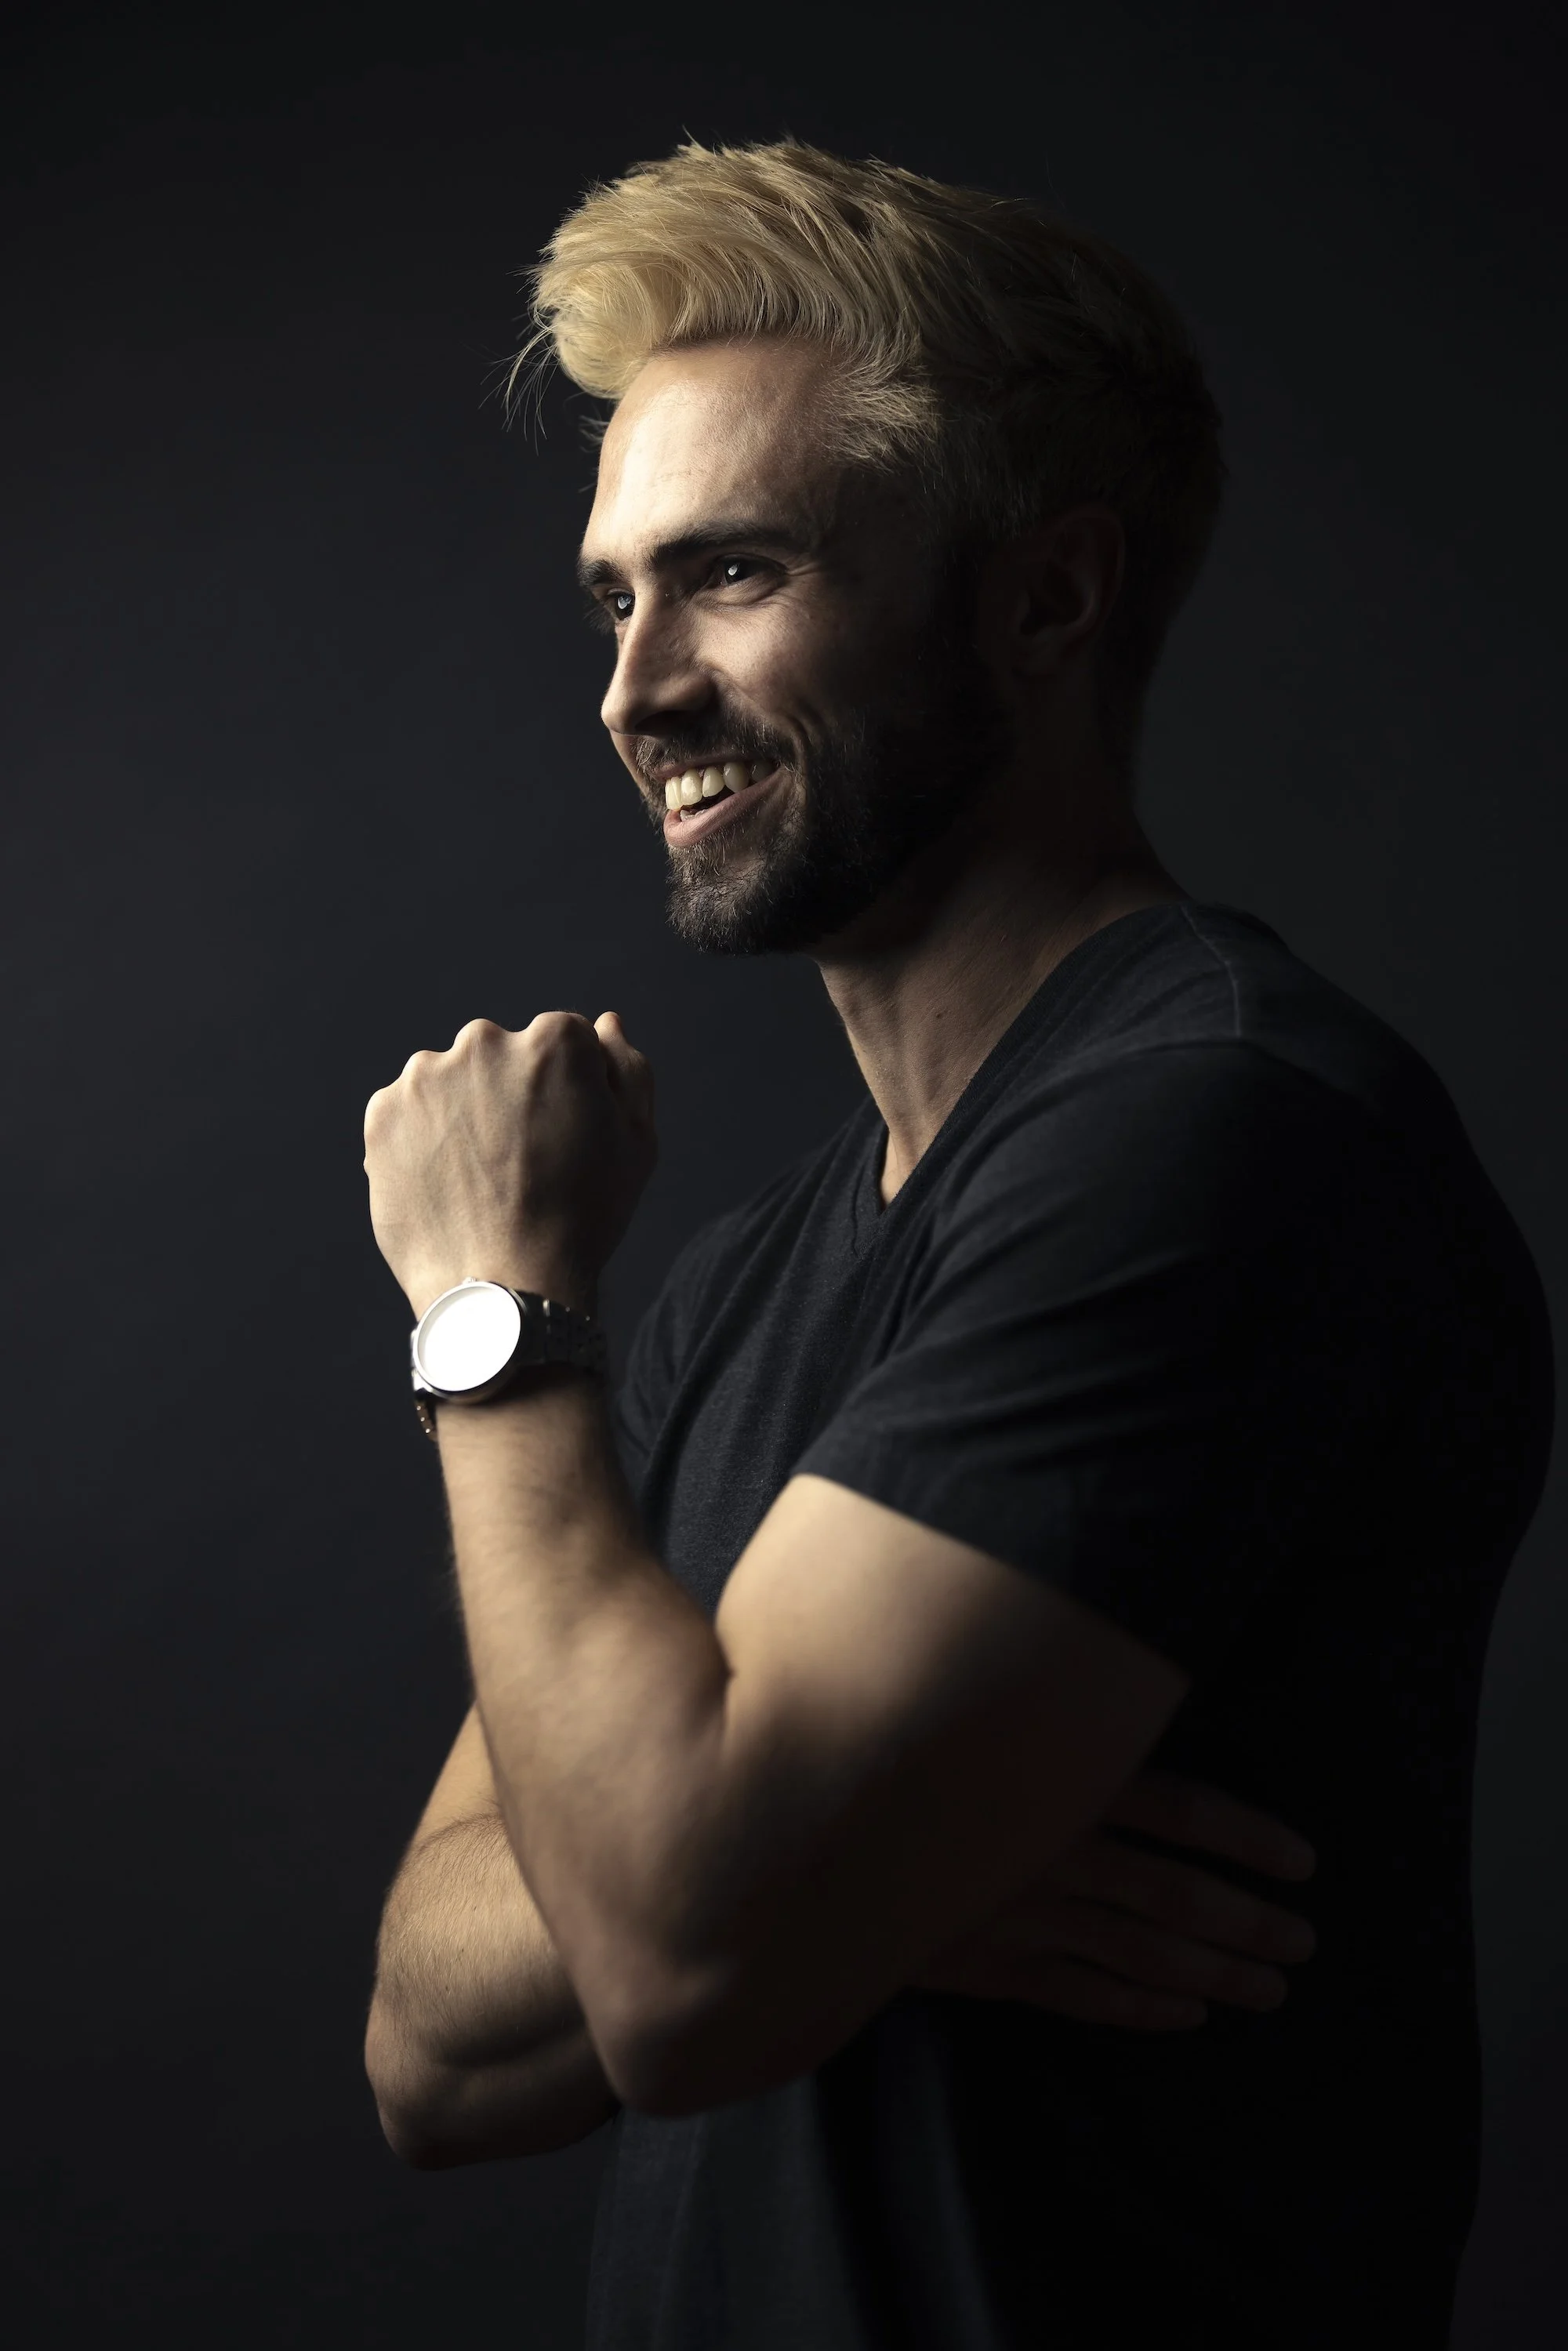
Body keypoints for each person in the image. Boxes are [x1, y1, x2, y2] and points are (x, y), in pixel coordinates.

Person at [360, 142, 1552, 2347]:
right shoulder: (747, 1280)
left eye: (733, 572)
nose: (636, 689)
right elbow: (426, 2050)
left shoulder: (1213, 1138)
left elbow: (673, 1955)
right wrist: (865, 1891)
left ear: (1048, 599)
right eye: (616, 599)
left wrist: (490, 1304)